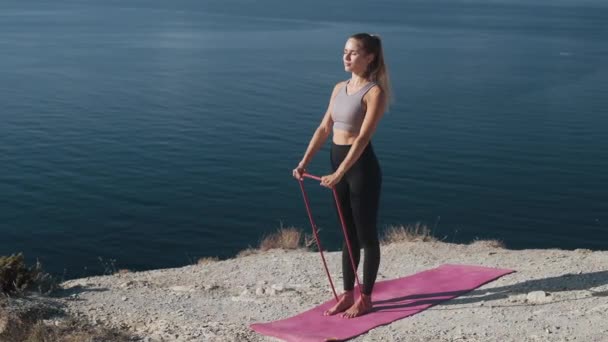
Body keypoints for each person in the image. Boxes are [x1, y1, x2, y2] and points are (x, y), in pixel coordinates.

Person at [292, 32, 392, 318]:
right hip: (338, 163)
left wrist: (339, 172)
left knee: (366, 235)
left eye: (353, 52)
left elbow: (361, 139)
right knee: (347, 235)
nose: (345, 57)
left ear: (369, 57)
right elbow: (324, 128)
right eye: (344, 51)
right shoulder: (339, 88)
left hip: (360, 169)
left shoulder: (375, 92)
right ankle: (348, 294)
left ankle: (367, 297)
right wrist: (304, 162)